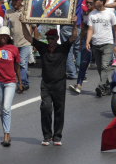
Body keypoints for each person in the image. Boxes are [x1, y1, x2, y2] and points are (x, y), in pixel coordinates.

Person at [20, 16, 76, 146]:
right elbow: (28, 37)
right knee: (45, 108)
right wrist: (23, 23)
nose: (50, 41)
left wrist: (74, 24)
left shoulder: (63, 48)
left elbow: (73, 38)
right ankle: (47, 136)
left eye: (52, 38)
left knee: (59, 110)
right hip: (46, 83)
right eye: (48, 38)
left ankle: (57, 136)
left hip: (60, 84)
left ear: (57, 38)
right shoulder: (43, 47)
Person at [86, 0, 116, 97]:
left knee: (105, 66)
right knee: (100, 68)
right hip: (96, 44)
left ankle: (100, 86)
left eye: (95, 1)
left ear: (101, 2)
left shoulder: (110, 14)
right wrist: (87, 41)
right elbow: (90, 29)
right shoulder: (92, 14)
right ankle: (108, 87)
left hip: (108, 43)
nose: (93, 3)